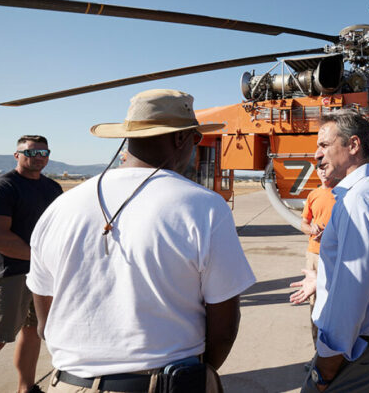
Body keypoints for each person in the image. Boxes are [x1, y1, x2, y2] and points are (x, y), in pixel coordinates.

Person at [26, 89, 256, 392]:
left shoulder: (60, 207)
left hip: (68, 383)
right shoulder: (204, 206)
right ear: (180, 139)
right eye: (196, 138)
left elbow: (44, 321)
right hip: (162, 384)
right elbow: (223, 329)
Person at [290, 109, 369, 392]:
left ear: (353, 145)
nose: (317, 154)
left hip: (352, 353)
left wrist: (325, 371)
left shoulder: (358, 201)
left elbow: (351, 295)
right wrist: (325, 279)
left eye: (324, 145)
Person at [0, 135, 63, 393]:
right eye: (31, 153)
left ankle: (26, 388)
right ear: (17, 155)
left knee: (33, 332)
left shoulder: (52, 188)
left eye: (44, 152)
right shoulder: (0, 189)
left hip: (40, 276)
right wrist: (42, 258)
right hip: (7, 275)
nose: (38, 157)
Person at [299, 166, 340, 346]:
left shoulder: (341, 195)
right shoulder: (313, 195)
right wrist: (311, 229)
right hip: (314, 254)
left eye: (326, 169)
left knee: (335, 300)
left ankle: (334, 349)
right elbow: (304, 223)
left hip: (337, 255)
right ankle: (317, 350)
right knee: (314, 302)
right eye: (320, 170)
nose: (324, 173)